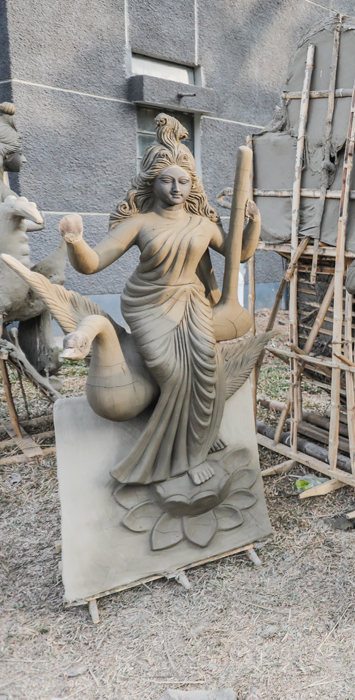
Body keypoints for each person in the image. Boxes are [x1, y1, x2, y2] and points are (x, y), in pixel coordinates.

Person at [57, 115, 259, 485]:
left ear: (192, 184)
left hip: (192, 303)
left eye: (184, 181)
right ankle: (182, 457)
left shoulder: (203, 225)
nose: (176, 188)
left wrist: (253, 223)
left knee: (207, 370)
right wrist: (75, 241)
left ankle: (199, 439)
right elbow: (93, 264)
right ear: (153, 181)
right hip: (148, 304)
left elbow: (239, 254)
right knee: (174, 373)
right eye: (167, 180)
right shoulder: (140, 223)